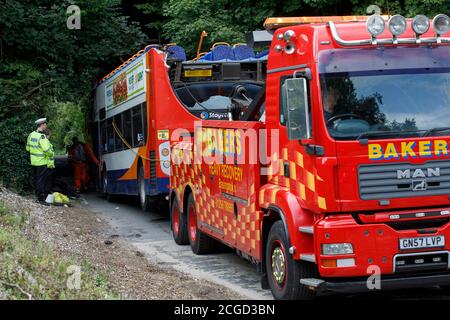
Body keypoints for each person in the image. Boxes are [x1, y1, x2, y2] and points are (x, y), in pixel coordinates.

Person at [26, 118, 55, 205]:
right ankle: (41, 199)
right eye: (45, 124)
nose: (46, 126)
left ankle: (38, 196)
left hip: (34, 162)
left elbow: (28, 148)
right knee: (42, 181)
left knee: (37, 180)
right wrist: (51, 154)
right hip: (42, 162)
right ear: (42, 125)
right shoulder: (42, 137)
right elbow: (47, 150)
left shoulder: (31, 135)